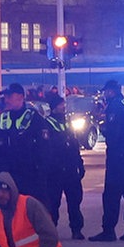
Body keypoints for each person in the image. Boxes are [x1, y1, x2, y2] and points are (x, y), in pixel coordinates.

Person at [0, 83, 50, 222]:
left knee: (29, 213)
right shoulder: (2, 118)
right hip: (5, 173)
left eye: (9, 96)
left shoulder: (34, 118)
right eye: (5, 97)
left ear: (21, 97)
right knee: (1, 211)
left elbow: (44, 149)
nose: (6, 99)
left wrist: (40, 171)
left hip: (28, 175)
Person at [93, 79, 124, 241]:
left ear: (111, 91)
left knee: (111, 194)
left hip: (118, 156)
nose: (105, 95)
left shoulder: (115, 106)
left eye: (106, 92)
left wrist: (101, 125)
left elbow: (113, 133)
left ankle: (108, 230)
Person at [45, 95, 88, 237]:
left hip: (70, 169)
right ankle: (51, 230)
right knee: (53, 202)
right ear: (54, 107)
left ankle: (76, 229)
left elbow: (74, 145)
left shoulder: (68, 123)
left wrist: (80, 164)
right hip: (55, 170)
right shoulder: (47, 124)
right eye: (61, 105)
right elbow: (48, 148)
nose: (63, 107)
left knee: (75, 201)